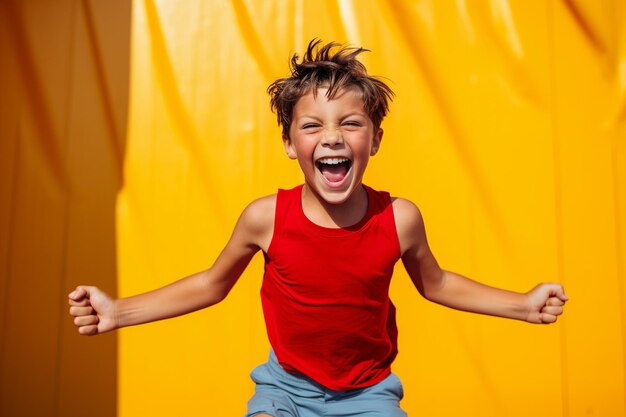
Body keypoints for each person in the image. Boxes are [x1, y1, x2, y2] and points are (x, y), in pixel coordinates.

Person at [68, 39, 568, 417]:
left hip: (369, 394)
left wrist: (522, 304)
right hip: (284, 388)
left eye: (350, 123)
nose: (332, 136)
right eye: (312, 126)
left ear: (375, 140)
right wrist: (119, 311)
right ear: (289, 144)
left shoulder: (399, 218)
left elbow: (436, 283)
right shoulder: (266, 218)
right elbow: (209, 284)